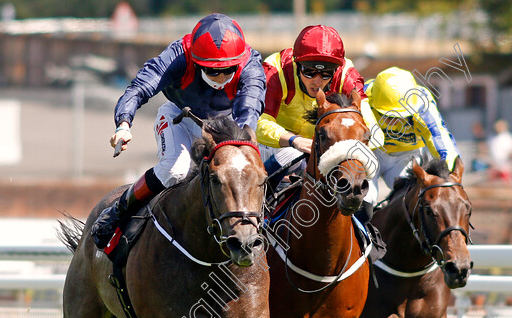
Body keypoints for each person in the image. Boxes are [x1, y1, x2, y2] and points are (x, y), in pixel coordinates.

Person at [91, 13, 266, 249]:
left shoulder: (250, 63)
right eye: (213, 71)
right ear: (195, 61)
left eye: (229, 70)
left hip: (231, 127)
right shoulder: (177, 56)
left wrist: (240, 143)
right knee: (175, 169)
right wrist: (123, 123)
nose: (222, 77)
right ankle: (118, 212)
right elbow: (139, 88)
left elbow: (250, 108)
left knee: (253, 171)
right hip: (181, 118)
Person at [256, 25, 378, 183]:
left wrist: (340, 150)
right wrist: (294, 140)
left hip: (325, 148)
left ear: (336, 70)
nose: (317, 81)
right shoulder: (276, 71)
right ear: (297, 64)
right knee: (294, 157)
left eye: (326, 73)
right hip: (278, 145)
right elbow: (258, 124)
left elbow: (373, 130)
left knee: (363, 187)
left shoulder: (347, 76)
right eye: (309, 72)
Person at [364, 67, 461, 211]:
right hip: (370, 154)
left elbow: (439, 136)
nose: (394, 121)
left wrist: (451, 172)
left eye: (401, 115)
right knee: (362, 202)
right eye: (388, 115)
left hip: (405, 156)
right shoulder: (362, 96)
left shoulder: (423, 103)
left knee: (413, 204)